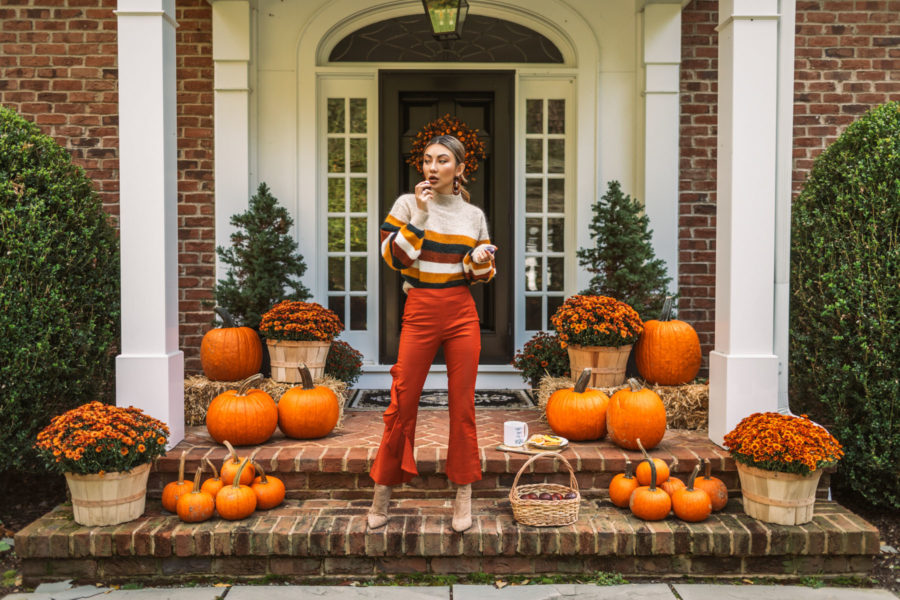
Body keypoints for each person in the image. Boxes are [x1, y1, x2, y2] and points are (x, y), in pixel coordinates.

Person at [368, 134, 497, 533]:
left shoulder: (473, 216)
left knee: (462, 405)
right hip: (421, 308)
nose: (432, 167)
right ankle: (383, 490)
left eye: (442, 160)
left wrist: (478, 260)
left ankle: (462, 491)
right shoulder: (408, 205)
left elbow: (481, 275)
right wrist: (420, 215)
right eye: (426, 160)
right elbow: (394, 258)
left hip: (461, 311)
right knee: (402, 399)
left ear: (459, 168)